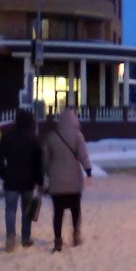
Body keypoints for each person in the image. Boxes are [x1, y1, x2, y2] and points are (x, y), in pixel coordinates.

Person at [42, 107, 92, 252]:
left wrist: (44, 173)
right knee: (75, 209)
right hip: (74, 181)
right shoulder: (78, 136)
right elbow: (83, 155)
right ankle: (76, 234)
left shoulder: (52, 136)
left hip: (56, 181)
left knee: (58, 212)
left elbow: (45, 159)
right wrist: (88, 170)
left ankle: (58, 239)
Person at [0, 108, 43, 253]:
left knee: (10, 210)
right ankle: (26, 238)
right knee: (27, 211)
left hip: (11, 180)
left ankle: (10, 237)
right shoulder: (33, 139)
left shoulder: (8, 136)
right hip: (28, 181)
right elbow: (38, 163)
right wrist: (39, 181)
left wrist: (3, 173)